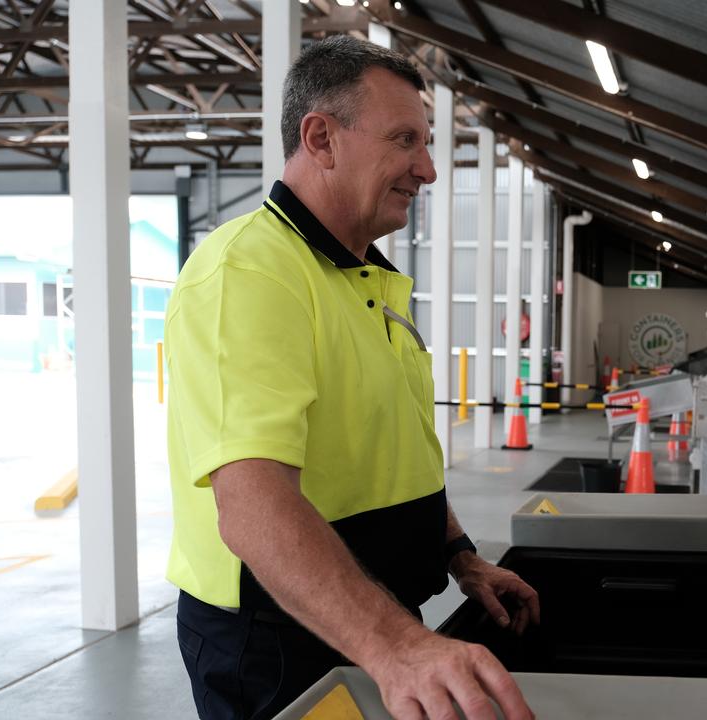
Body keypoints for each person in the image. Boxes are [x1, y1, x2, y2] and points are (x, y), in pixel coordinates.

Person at [164, 36, 538, 720]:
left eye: (426, 145)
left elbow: (391, 457)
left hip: (368, 618)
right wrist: (395, 646)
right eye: (405, 140)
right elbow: (254, 507)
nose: (426, 169)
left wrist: (459, 555)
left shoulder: (362, 279)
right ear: (321, 138)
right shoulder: (250, 274)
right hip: (282, 641)